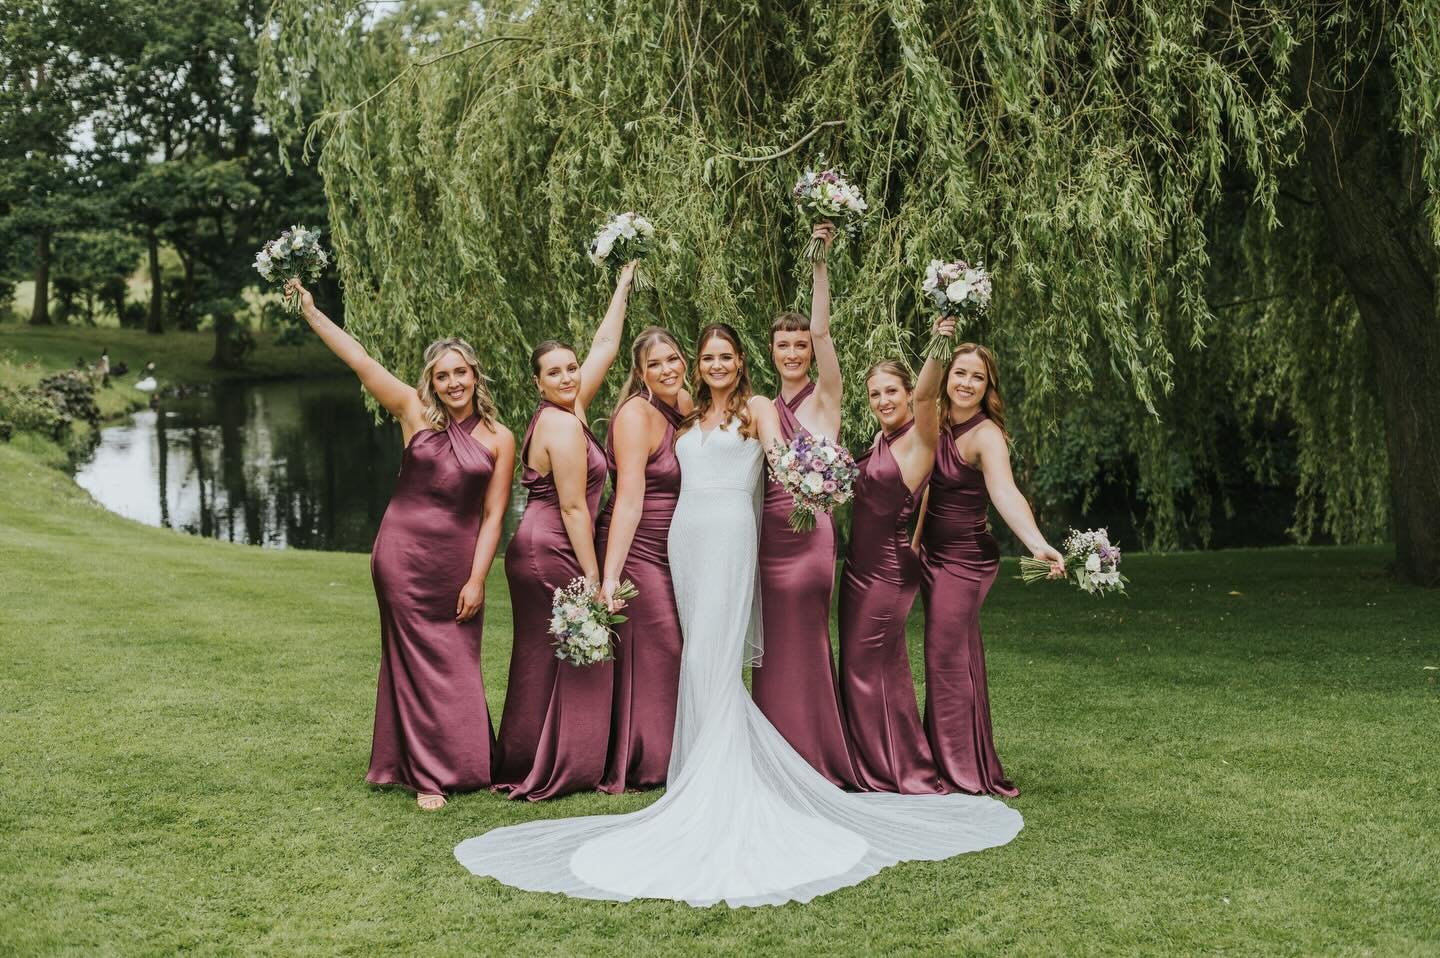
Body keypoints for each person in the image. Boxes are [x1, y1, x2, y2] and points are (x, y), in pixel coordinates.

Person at [454, 323, 1021, 908]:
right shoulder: (683, 413)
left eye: (725, 356)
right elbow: (631, 496)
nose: (716, 365)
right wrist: (609, 572)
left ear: (740, 361)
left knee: (711, 658)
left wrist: (812, 480)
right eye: (707, 358)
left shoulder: (756, 407)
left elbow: (780, 460)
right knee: (697, 656)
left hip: (730, 540)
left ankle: (715, 782)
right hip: (685, 540)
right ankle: (699, 773)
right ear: (698, 366)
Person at [288, 279, 514, 812]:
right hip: (403, 555)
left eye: (461, 372)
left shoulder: (500, 438)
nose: (454, 382)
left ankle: (467, 759)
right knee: (413, 660)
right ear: (431, 382)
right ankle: (428, 775)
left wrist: (479, 577)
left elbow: (494, 515)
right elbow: (361, 360)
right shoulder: (413, 412)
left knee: (459, 658)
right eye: (444, 375)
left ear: (474, 375)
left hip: (458, 560)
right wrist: (313, 314)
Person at [493, 262, 634, 801]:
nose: (569, 376)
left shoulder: (571, 405)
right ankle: (554, 762)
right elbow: (576, 508)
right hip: (551, 547)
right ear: (538, 381)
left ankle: (534, 755)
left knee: (545, 652)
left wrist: (622, 284)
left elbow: (605, 346)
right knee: (571, 649)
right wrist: (597, 578)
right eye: (554, 372)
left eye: (571, 367)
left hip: (544, 543)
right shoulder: (557, 422)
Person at [919, 338, 1062, 796]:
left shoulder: (986, 435)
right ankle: (949, 755)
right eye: (959, 373)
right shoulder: (933, 420)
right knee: (954, 655)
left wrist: (1037, 543)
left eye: (977, 377)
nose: (966, 383)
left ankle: (960, 769)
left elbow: (1005, 492)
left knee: (945, 656)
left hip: (965, 559)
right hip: (931, 556)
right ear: (947, 376)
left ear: (988, 386)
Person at [752, 221, 859, 788]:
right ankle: (771, 757)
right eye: (783, 345)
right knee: (771, 647)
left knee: (807, 640)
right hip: (769, 538)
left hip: (811, 538)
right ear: (770, 352)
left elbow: (823, 335)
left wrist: (820, 265)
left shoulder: (825, 397)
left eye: (799, 345)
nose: (794, 352)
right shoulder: (762, 408)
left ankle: (816, 754)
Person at [836, 353, 946, 793]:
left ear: (907, 394)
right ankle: (875, 759)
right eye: (874, 394)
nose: (883, 400)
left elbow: (928, 393)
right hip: (857, 569)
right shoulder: (880, 442)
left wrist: (940, 344)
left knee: (868, 668)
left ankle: (896, 769)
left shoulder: (921, 438)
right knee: (866, 666)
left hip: (885, 570)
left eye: (890, 391)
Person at [594, 327, 693, 792]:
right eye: (655, 364)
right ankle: (648, 762)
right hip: (636, 546)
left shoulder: (688, 405)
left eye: (672, 359)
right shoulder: (635, 415)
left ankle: (679, 749)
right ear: (640, 373)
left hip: (676, 546)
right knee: (666, 646)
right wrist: (610, 577)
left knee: (677, 648)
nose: (667, 369)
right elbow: (629, 499)